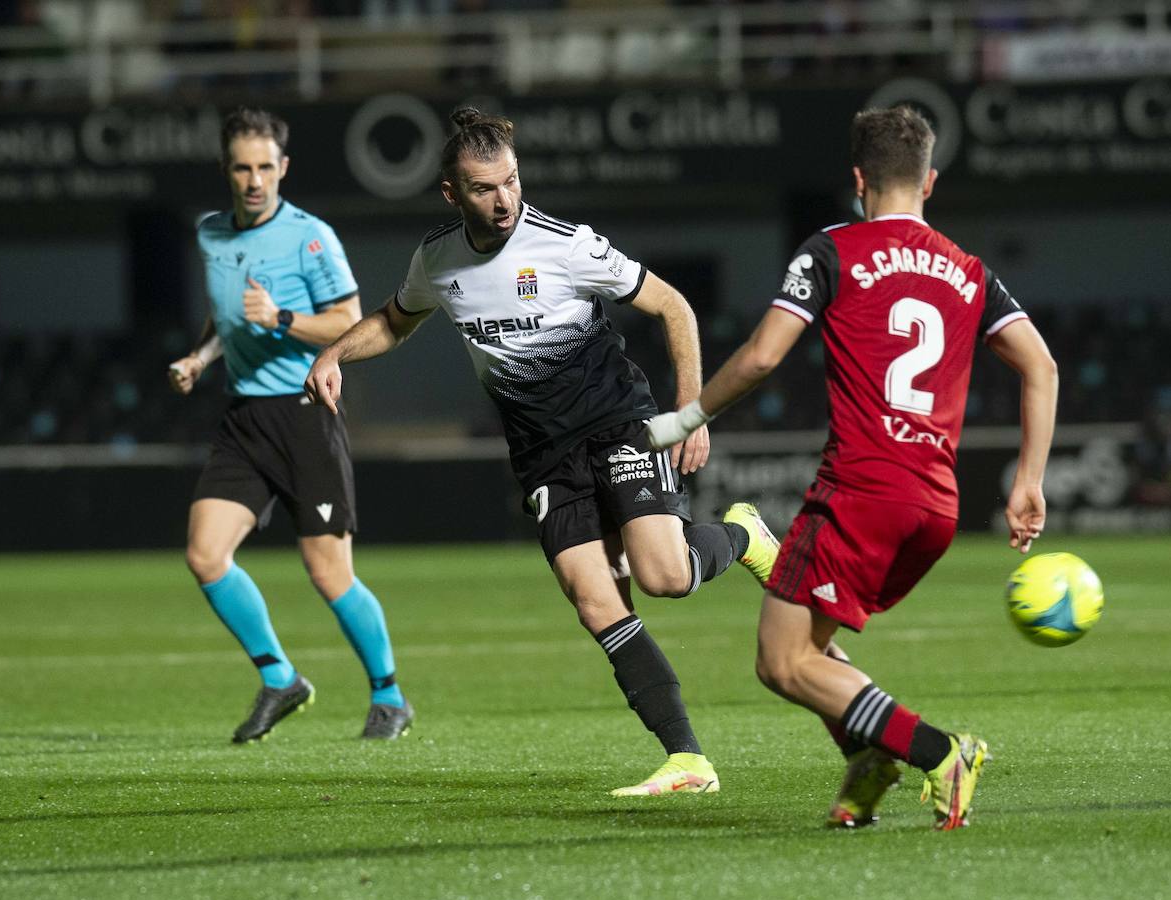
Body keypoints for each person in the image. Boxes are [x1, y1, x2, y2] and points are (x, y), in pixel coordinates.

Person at [305, 107, 780, 796]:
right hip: (540, 455)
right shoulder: (438, 259)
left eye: (511, 182)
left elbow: (674, 306)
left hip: (616, 424)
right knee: (595, 602)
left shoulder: (566, 244)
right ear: (451, 194)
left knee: (666, 577)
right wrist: (336, 351)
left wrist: (691, 411)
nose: (504, 200)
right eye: (484, 189)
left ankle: (743, 534)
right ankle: (687, 757)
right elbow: (393, 321)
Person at [647, 105, 1058, 830]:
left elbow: (765, 354)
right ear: (929, 180)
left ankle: (937, 750)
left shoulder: (834, 249)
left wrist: (687, 416)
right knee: (812, 643)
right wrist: (1028, 478)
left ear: (858, 179)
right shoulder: (970, 270)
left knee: (781, 661)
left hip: (863, 490)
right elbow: (1042, 365)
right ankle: (870, 762)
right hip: (935, 505)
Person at [168, 107, 413, 744]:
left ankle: (389, 696)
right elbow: (224, 317)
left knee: (328, 572)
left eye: (264, 167)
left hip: (305, 414)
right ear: (227, 170)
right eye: (242, 168)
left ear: (283, 168)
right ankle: (280, 678)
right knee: (204, 554)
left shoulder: (311, 238)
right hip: (244, 416)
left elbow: (351, 321)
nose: (254, 179)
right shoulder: (210, 234)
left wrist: (279, 319)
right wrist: (199, 357)